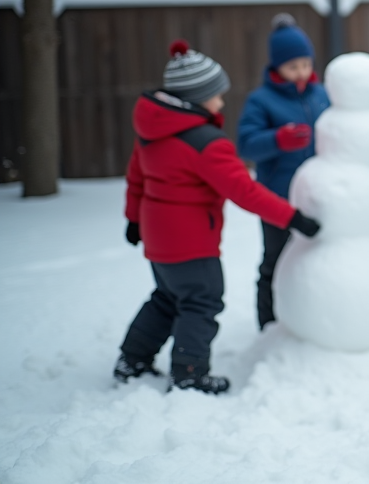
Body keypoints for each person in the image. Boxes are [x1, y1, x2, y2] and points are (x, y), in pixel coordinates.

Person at [117, 40, 320, 394]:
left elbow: (137, 178)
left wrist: (134, 218)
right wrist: (292, 218)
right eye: (216, 95)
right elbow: (246, 191)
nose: (221, 102)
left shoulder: (151, 134)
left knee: (167, 296)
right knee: (201, 301)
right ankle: (190, 373)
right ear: (196, 98)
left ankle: (132, 359)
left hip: (157, 238)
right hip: (192, 242)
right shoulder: (206, 143)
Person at [236, 14, 330, 330]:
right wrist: (278, 139)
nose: (301, 72)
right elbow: (246, 144)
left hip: (316, 195)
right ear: (277, 67)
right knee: (274, 261)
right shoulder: (261, 100)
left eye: (305, 64)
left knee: (315, 259)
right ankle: (269, 322)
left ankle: (309, 315)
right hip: (277, 198)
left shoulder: (321, 95)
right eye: (293, 67)